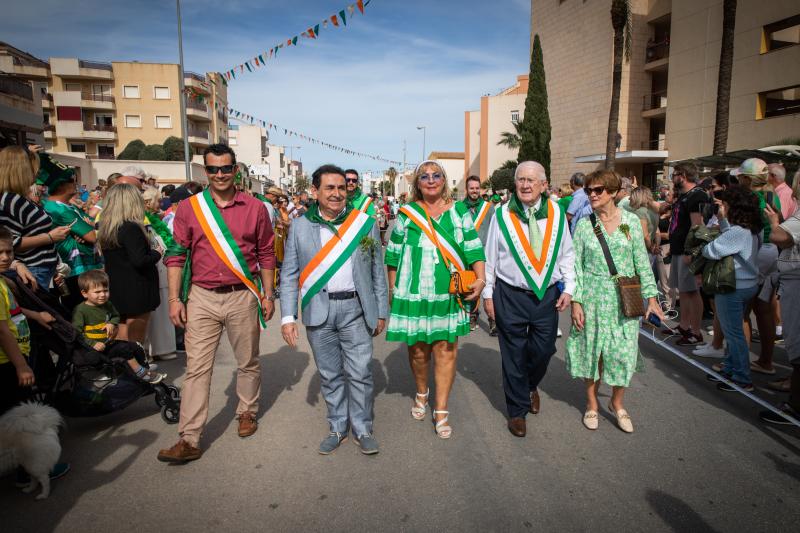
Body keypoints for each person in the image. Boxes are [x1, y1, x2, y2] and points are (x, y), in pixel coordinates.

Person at [158, 144, 276, 463]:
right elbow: (176, 254)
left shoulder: (255, 208)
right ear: (205, 172)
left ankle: (247, 411)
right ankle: (190, 437)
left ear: (235, 169)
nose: (220, 174)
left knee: (247, 360)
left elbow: (266, 253)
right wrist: (174, 299)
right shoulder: (190, 208)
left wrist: (268, 294)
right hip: (202, 296)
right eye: (213, 169)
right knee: (196, 368)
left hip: (242, 294)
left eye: (226, 168)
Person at [280, 165, 389, 455]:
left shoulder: (363, 224)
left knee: (361, 372)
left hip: (355, 308)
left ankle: (363, 428)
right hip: (318, 311)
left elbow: (377, 269)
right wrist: (288, 317)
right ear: (315, 192)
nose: (337, 193)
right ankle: (338, 427)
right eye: (329, 188)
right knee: (329, 374)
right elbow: (289, 274)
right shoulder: (300, 226)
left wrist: (380, 311)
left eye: (341, 187)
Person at [385, 160, 485, 439]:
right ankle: (421, 391)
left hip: (448, 293)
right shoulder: (407, 214)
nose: (431, 180)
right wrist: (394, 291)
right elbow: (393, 254)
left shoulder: (459, 211)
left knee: (446, 349)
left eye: (436, 175)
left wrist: (481, 280)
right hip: (413, 293)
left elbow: (473, 248)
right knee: (418, 351)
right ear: (417, 183)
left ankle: (441, 409)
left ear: (444, 180)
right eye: (425, 176)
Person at [482, 162, 575, 437]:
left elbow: (567, 253)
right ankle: (517, 411)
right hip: (509, 294)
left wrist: (569, 287)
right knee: (512, 355)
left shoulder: (558, 214)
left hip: (546, 295)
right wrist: (488, 294)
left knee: (543, 349)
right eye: (520, 180)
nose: (524, 185)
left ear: (544, 185)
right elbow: (489, 258)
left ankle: (530, 385)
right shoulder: (501, 215)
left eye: (531, 180)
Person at [567, 170, 663, 433]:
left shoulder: (629, 222)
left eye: (598, 190)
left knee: (623, 353)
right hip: (593, 297)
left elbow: (641, 263)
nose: (592, 195)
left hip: (624, 297)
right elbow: (576, 266)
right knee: (592, 352)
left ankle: (617, 403)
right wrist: (576, 301)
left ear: (612, 192)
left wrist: (652, 299)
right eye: (588, 191)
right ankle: (592, 405)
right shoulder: (585, 225)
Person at [700, 186, 762, 392]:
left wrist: (704, 244)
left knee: (733, 334)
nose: (722, 207)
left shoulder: (738, 232)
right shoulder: (750, 229)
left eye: (725, 205)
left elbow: (712, 250)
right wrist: (724, 220)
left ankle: (742, 377)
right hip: (747, 285)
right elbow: (728, 237)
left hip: (734, 287)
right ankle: (730, 368)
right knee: (732, 331)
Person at [72, 270, 166, 383]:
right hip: (94, 349)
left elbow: (116, 316)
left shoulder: (107, 304)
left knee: (134, 345)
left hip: (109, 343)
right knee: (123, 349)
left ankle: (142, 367)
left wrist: (111, 323)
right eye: (97, 292)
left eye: (105, 291)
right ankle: (141, 374)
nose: (102, 295)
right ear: (84, 293)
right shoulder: (81, 310)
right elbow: (76, 332)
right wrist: (93, 343)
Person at [97, 184, 162, 345]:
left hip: (118, 287)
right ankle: (138, 369)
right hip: (137, 289)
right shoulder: (131, 228)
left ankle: (128, 368)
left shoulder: (107, 228)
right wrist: (157, 253)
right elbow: (140, 260)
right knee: (135, 341)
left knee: (122, 338)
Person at [0, 148, 70, 288]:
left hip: (41, 270)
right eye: (35, 168)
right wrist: (49, 237)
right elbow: (10, 242)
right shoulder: (10, 200)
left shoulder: (19, 198)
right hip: (32, 271)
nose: (38, 172)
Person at [735, 158, 780, 375]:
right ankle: (766, 361)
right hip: (774, 252)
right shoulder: (773, 195)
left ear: (746, 178)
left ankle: (740, 366)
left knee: (743, 311)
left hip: (757, 251)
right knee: (765, 309)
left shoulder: (750, 198)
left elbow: (744, 229)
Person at [761, 182, 800, 424]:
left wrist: (774, 221)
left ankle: (795, 408)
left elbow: (779, 236)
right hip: (790, 279)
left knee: (796, 344)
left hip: (796, 283)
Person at [40, 158, 102, 306]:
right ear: (60, 185)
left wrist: (87, 230)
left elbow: (91, 225)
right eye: (71, 180)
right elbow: (92, 236)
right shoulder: (57, 209)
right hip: (72, 271)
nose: (75, 183)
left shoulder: (70, 206)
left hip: (85, 268)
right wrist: (87, 231)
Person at [666, 162, 709, 346]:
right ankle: (684, 326)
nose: (673, 177)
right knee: (683, 291)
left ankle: (696, 331)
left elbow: (697, 226)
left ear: (682, 175)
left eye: (674, 174)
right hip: (677, 249)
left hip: (687, 251)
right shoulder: (684, 196)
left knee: (692, 291)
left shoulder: (697, 195)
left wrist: (692, 251)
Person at [142, 187, 178, 361]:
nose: (161, 203)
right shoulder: (144, 221)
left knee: (163, 310)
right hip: (155, 268)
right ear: (148, 202)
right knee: (157, 312)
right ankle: (156, 349)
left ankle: (163, 347)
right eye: (158, 200)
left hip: (162, 268)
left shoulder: (156, 220)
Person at [457, 175, 496, 333]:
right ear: (466, 189)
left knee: (490, 285)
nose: (474, 191)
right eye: (471, 188)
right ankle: (472, 314)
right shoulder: (459, 207)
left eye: (476, 188)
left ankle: (493, 319)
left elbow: (495, 229)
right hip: (467, 253)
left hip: (486, 252)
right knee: (470, 284)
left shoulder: (489, 207)